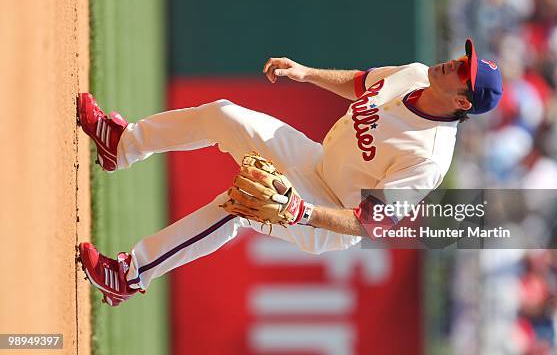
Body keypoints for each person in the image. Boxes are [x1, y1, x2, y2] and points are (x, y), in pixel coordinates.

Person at [77, 38, 503, 306]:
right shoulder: (413, 75)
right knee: (223, 115)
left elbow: (369, 225)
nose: (454, 64)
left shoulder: (428, 156)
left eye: (463, 73)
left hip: (329, 214)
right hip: (316, 160)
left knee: (239, 207)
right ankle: (121, 144)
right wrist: (306, 73)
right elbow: (361, 83)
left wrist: (300, 212)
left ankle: (128, 277)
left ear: (463, 102)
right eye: (463, 59)